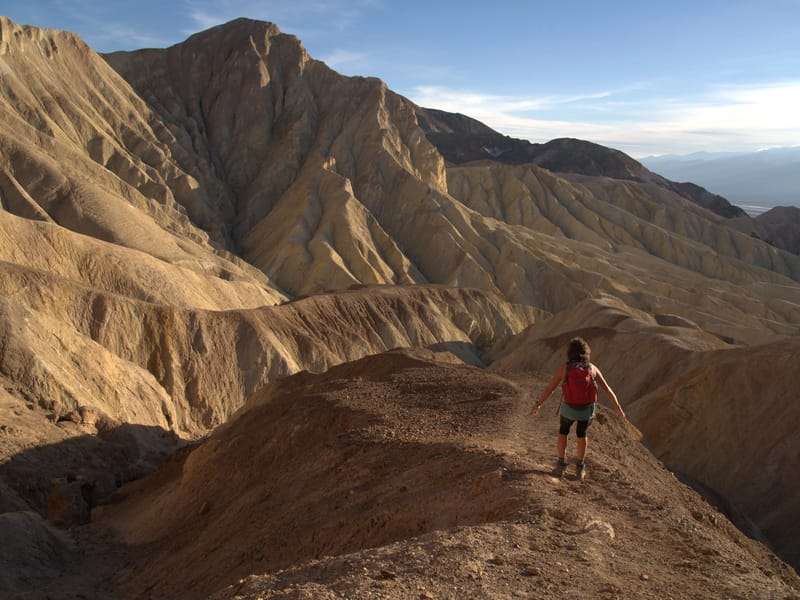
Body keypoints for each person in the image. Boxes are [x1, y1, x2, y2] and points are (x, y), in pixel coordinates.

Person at [530, 337, 626, 479]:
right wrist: (618, 407)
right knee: (582, 434)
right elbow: (607, 389)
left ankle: (561, 464)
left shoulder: (564, 369)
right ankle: (580, 468)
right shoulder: (592, 368)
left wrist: (538, 404)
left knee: (563, 432)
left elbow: (549, 389)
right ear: (586, 352)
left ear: (570, 353)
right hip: (586, 410)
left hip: (569, 408)